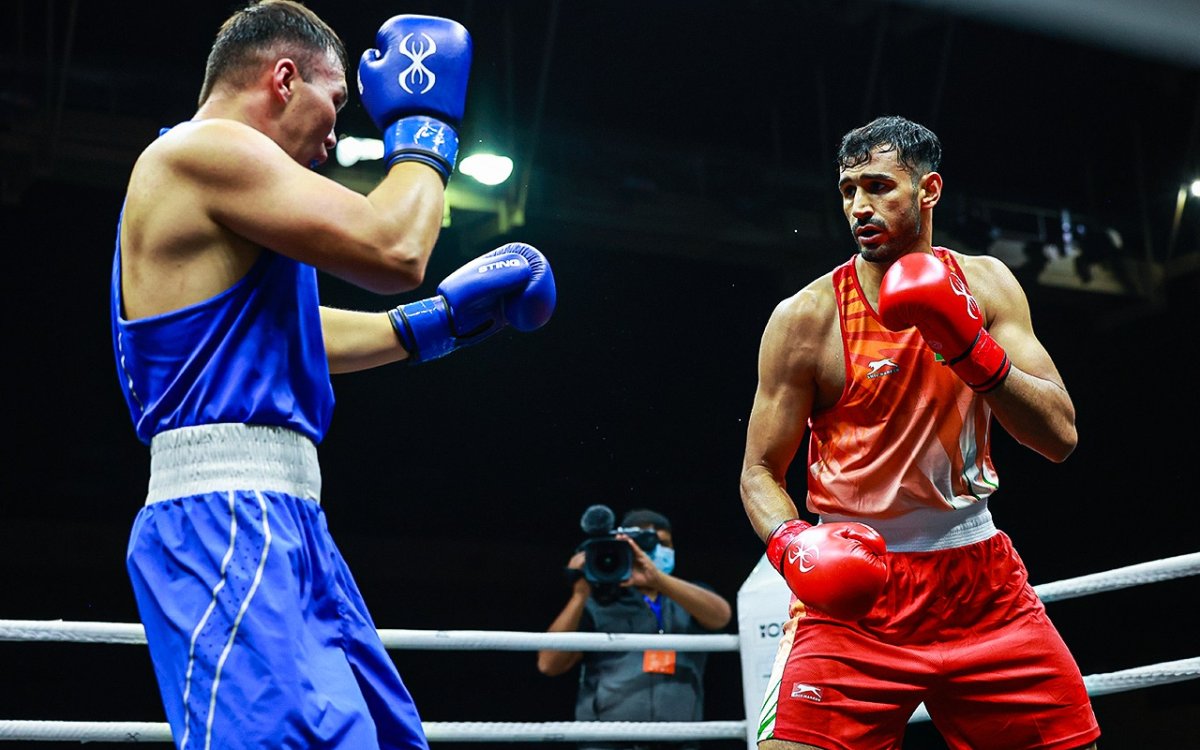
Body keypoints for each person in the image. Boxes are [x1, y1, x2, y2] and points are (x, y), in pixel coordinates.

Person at [110, 3, 554, 748]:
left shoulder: (225, 194)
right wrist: (423, 128)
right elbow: (394, 248)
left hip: (284, 517)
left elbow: (294, 335)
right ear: (284, 79)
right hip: (223, 518)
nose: (337, 136)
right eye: (338, 103)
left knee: (382, 738)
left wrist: (437, 323)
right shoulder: (204, 149)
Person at [739, 115, 1100, 750]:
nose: (859, 206)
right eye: (849, 190)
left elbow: (1059, 435)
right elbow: (759, 474)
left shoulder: (985, 285)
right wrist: (792, 542)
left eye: (879, 186)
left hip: (981, 588)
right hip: (854, 596)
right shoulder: (806, 319)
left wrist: (969, 347)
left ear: (928, 190)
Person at [536, 508, 733, 750]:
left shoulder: (690, 598)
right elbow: (548, 663)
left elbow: (721, 616)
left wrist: (656, 579)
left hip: (680, 741)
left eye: (663, 543)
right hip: (607, 743)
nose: (652, 551)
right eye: (642, 544)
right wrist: (580, 593)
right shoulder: (599, 604)